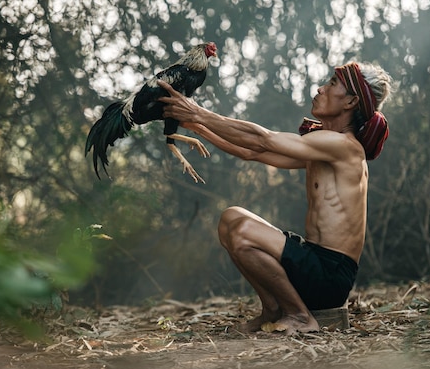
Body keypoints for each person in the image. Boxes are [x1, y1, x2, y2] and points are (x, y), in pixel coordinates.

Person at [158, 61, 393, 335]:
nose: (319, 89)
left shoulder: (344, 146)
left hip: (329, 276)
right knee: (231, 218)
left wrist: (198, 112)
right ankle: (272, 310)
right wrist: (195, 124)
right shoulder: (324, 144)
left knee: (243, 232)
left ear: (351, 101)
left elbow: (263, 140)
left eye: (331, 85)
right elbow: (253, 152)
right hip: (313, 261)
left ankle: (300, 316)